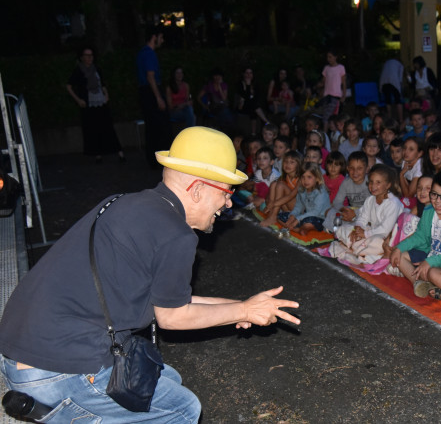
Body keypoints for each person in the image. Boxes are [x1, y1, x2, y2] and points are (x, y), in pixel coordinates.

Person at [0, 127, 300, 421]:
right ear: (197, 189)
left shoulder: (124, 203)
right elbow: (173, 317)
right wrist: (244, 310)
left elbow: (169, 298)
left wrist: (240, 308)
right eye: (226, 192)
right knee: (182, 409)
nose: (228, 202)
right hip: (55, 372)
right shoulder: (175, 234)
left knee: (168, 377)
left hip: (24, 352)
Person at [389, 170, 441, 286]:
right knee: (401, 255)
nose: (437, 201)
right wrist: (399, 248)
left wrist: (430, 262)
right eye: (434, 194)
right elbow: (420, 236)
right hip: (430, 255)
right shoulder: (429, 211)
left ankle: (432, 283)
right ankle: (419, 284)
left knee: (432, 273)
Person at [331, 164, 404, 264]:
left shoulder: (393, 203)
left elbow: (385, 230)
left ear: (388, 185)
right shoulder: (370, 200)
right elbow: (362, 218)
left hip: (387, 238)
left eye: (378, 182)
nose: (373, 186)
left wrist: (365, 234)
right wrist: (357, 228)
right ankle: (360, 251)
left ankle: (355, 248)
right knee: (343, 228)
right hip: (372, 232)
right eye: (371, 182)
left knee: (378, 243)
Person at [66, 45, 124, 163]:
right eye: (87, 56)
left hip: (100, 101)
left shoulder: (96, 69)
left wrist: (106, 94)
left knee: (107, 126)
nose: (89, 58)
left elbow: (102, 83)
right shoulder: (79, 70)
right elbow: (69, 86)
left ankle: (119, 152)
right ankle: (97, 154)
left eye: (91, 55)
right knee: (93, 128)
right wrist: (78, 100)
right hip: (88, 103)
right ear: (82, 57)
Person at [136, 25, 171, 165]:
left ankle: (153, 159)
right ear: (154, 37)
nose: (162, 41)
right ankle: (161, 158)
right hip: (151, 91)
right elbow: (150, 76)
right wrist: (158, 97)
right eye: (161, 37)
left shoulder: (141, 53)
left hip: (144, 91)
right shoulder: (149, 53)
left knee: (151, 126)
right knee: (161, 126)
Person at [323, 151, 371, 232]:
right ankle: (344, 230)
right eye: (352, 168)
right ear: (348, 168)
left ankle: (343, 230)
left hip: (366, 213)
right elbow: (337, 202)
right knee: (329, 212)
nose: (355, 172)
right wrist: (344, 210)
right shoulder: (346, 183)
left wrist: (355, 213)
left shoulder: (370, 182)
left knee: (369, 220)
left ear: (367, 169)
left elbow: (371, 206)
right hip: (350, 212)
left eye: (359, 168)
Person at [278, 162, 331, 235]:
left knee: (309, 222)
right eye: (303, 177)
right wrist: (292, 216)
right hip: (305, 216)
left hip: (319, 218)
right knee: (280, 216)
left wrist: (298, 219)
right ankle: (297, 229)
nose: (305, 180)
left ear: (317, 178)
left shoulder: (321, 192)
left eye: (309, 177)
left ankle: (299, 229)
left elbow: (315, 212)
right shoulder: (302, 190)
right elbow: (298, 206)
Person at [259, 150, 302, 227]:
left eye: (292, 162)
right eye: (285, 161)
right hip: (286, 208)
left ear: (298, 165)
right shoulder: (284, 177)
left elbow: (291, 196)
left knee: (280, 185)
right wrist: (269, 202)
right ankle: (272, 212)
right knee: (274, 184)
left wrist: (272, 204)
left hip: (297, 208)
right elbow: (271, 193)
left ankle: (273, 216)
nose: (287, 164)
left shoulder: (301, 179)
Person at [317, 50, 347, 132]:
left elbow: (343, 83)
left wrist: (344, 95)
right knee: (328, 116)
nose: (328, 59)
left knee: (327, 117)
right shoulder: (326, 68)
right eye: (327, 57)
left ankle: (325, 135)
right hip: (327, 96)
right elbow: (324, 81)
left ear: (335, 57)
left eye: (330, 57)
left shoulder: (341, 68)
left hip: (336, 95)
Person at [236, 67, 270, 135]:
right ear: (244, 74)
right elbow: (245, 97)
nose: (249, 75)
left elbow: (257, 97)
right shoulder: (240, 84)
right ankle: (266, 122)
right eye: (247, 73)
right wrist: (248, 86)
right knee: (253, 105)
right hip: (242, 106)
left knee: (253, 107)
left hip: (253, 106)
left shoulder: (256, 84)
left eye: (250, 73)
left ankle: (253, 133)